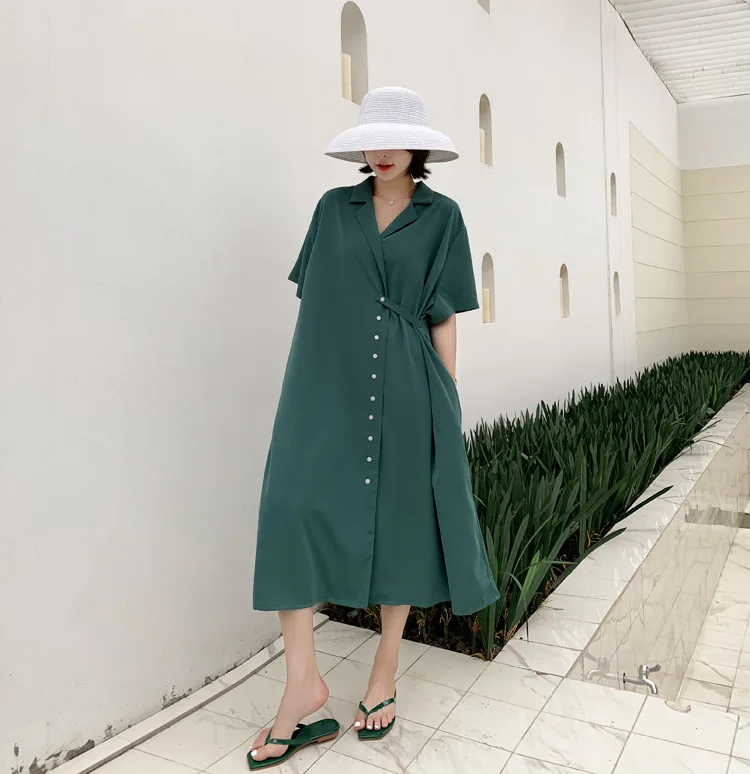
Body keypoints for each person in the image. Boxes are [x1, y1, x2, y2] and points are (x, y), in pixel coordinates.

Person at [248, 86, 499, 769]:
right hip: (326, 385)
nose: (382, 153)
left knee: (401, 522)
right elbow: (319, 306)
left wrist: (447, 399)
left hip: (412, 386)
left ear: (417, 147)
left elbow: (444, 314)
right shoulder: (334, 209)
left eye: (395, 141)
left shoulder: (444, 216)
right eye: (373, 141)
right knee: (287, 509)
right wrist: (305, 395)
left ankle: (385, 668)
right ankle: (303, 682)